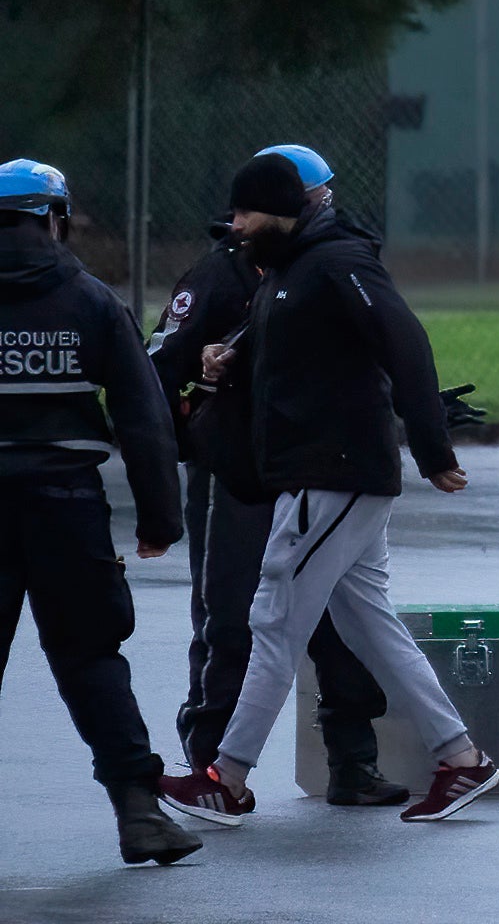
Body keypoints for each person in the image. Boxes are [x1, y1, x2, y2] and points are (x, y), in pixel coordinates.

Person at [157, 152, 499, 830]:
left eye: (246, 213)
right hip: (326, 476)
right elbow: (288, 343)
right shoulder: (290, 270)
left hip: (334, 474)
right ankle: (461, 759)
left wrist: (432, 449)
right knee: (368, 622)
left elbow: (403, 342)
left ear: (285, 211)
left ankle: (225, 778)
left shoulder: (338, 261)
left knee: (273, 621)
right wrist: (227, 354)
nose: (236, 226)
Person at [147, 143, 397, 804]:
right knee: (229, 615)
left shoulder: (338, 264)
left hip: (316, 468)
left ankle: (353, 760)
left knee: (342, 621)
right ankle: (209, 765)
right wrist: (187, 442)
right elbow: (159, 365)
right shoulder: (220, 275)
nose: (318, 210)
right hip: (235, 476)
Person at [0, 157, 199, 866]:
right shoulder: (90, 299)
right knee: (90, 659)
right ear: (53, 218)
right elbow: (144, 420)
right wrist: (159, 521)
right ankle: (140, 816)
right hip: (65, 506)